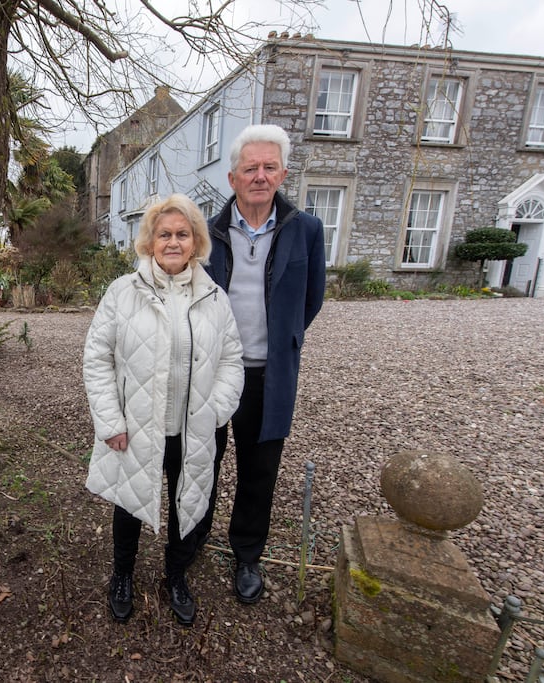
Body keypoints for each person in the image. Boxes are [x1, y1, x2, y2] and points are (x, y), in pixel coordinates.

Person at [83, 193, 244, 626]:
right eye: (164, 234)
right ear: (149, 241)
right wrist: (110, 421)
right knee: (129, 502)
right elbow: (97, 359)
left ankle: (176, 576)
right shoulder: (122, 293)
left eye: (182, 234)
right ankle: (122, 575)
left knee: (185, 500)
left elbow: (231, 360)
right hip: (136, 427)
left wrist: (216, 412)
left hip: (192, 428)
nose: (173, 242)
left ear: (196, 242)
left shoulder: (215, 298)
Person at [200, 123, 326, 605]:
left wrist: (283, 340)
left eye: (269, 167)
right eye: (250, 167)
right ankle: (192, 538)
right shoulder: (207, 231)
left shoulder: (307, 230)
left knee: (259, 471)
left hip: (269, 377)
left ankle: (247, 554)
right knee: (201, 462)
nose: (259, 175)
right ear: (232, 177)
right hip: (211, 372)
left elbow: (310, 300)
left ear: (283, 174)